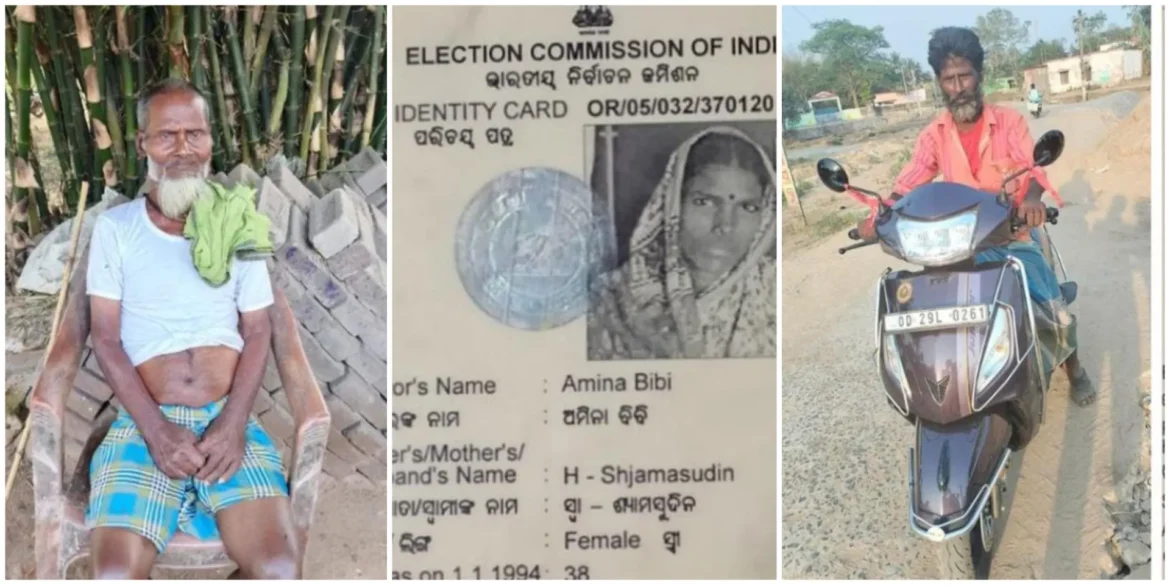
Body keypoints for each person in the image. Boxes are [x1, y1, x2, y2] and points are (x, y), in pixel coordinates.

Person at [85, 79, 298, 578]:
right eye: (167, 136)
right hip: (146, 423)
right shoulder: (117, 230)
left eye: (195, 135)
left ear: (210, 141)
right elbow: (106, 338)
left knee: (277, 569)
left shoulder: (237, 221)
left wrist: (233, 424)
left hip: (228, 420)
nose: (183, 149)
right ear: (142, 144)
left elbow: (259, 330)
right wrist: (156, 431)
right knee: (114, 575)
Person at [856, 27, 1096, 406]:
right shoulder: (934, 134)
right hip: (958, 246)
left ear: (978, 75)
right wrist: (878, 215)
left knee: (1052, 309)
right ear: (940, 82)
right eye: (949, 79)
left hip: (1009, 235)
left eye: (964, 75)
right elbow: (908, 183)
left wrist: (1032, 199)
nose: (959, 86)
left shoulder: (1009, 123)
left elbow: (1032, 168)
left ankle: (1075, 368)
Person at [588, 126, 776, 360]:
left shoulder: (774, 289)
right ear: (672, 204)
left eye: (748, 207)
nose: (725, 225)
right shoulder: (611, 300)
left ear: (766, 215)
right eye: (704, 202)